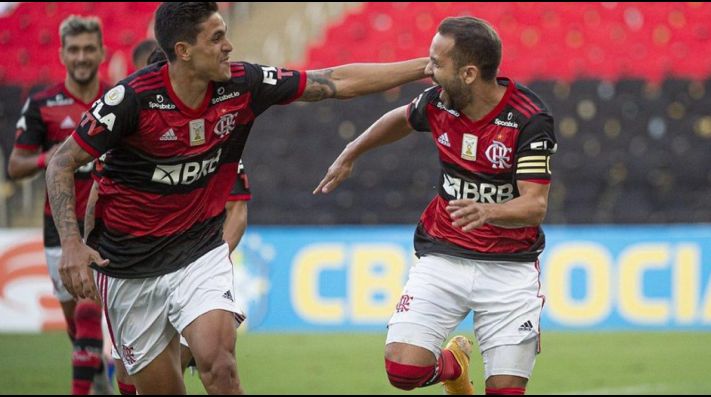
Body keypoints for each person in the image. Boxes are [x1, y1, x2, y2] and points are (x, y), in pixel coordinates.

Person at [46, 2, 428, 394]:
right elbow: (60, 164)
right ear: (183, 51)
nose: (229, 45)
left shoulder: (242, 83)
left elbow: (333, 81)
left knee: (221, 367)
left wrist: (425, 67)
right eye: (216, 38)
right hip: (129, 268)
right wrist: (73, 244)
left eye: (225, 33)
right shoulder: (130, 100)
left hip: (198, 252)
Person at [315, 16, 556, 396]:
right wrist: (351, 152)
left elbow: (534, 206)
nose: (428, 72)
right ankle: (453, 366)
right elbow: (400, 119)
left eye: (437, 64)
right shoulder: (439, 102)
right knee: (402, 371)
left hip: (509, 268)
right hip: (444, 255)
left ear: (470, 73)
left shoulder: (528, 118)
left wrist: (487, 211)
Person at [88, 37, 253, 396]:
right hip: (132, 268)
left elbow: (237, 209)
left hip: (194, 262)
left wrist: (202, 257)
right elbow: (97, 194)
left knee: (220, 366)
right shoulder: (126, 136)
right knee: (132, 381)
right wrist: (87, 251)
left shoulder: (216, 136)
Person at [8, 15, 114, 395]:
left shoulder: (118, 98)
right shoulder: (42, 104)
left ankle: (89, 380)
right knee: (77, 327)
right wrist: (49, 158)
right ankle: (96, 368)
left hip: (107, 226)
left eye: (89, 48)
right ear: (62, 54)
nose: (82, 56)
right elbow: (15, 165)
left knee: (88, 313)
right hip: (60, 228)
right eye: (74, 49)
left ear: (102, 52)